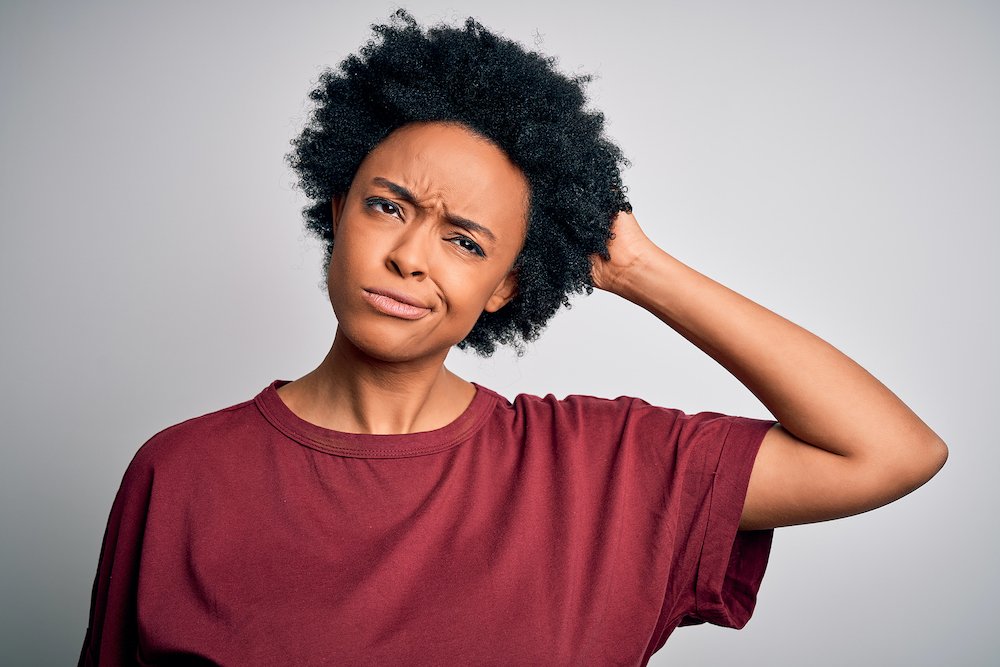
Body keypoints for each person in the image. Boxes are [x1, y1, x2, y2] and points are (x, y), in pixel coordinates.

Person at [78, 10, 947, 666]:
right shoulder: (182, 472)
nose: (412, 257)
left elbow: (890, 450)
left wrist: (639, 268)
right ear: (337, 210)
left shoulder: (602, 471)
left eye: (465, 240)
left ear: (505, 288)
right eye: (388, 206)